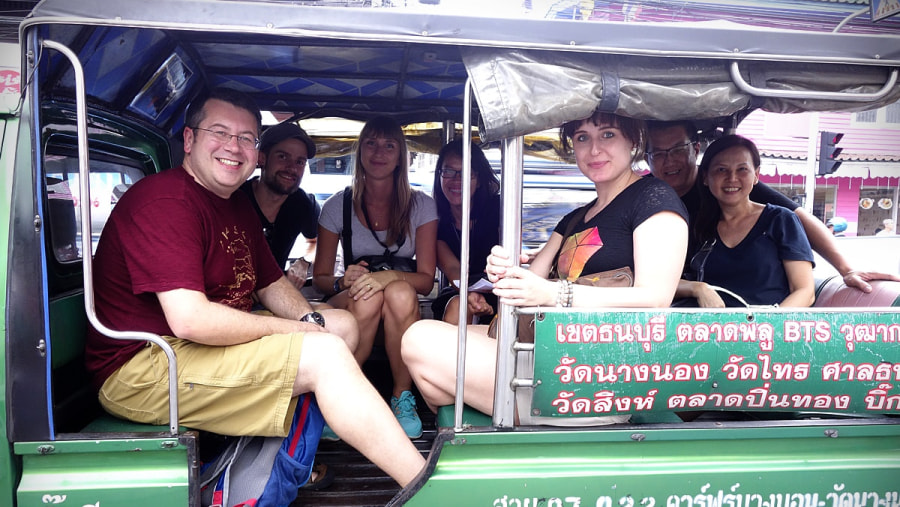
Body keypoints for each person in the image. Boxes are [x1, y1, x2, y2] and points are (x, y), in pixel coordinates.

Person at [85, 88, 424, 487]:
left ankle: (291, 449)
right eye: (220, 132)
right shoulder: (165, 201)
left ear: (255, 152)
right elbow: (190, 320)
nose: (234, 146)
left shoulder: (234, 204)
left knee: (342, 327)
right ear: (190, 140)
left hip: (193, 351)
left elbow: (270, 282)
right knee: (324, 352)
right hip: (144, 367)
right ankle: (423, 484)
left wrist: (311, 318)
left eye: (246, 138)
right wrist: (302, 331)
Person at [402, 111, 688, 416]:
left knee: (420, 342)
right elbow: (525, 285)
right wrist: (504, 271)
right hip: (549, 349)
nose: (594, 149)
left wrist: (555, 295)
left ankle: (542, 415)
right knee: (428, 344)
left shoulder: (653, 199)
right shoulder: (576, 217)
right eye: (582, 138)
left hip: (593, 372)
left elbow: (655, 298)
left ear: (633, 140)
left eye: (608, 135)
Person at [646, 120, 900, 292]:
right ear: (646, 159)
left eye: (677, 149)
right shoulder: (641, 193)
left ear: (695, 149)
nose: (669, 161)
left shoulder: (725, 181)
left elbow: (799, 218)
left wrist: (847, 269)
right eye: (657, 153)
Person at [313, 116, 438, 438]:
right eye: (371, 143)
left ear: (401, 157)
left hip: (401, 294)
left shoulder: (421, 205)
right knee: (368, 297)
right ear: (360, 152)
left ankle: (401, 397)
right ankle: (345, 399)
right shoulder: (336, 205)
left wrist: (388, 278)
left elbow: (426, 280)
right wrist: (344, 280)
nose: (379, 152)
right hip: (354, 294)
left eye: (389, 145)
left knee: (397, 292)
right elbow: (321, 279)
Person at [677, 135, 815, 308]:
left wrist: (766, 328)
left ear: (756, 175)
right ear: (705, 177)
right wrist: (698, 288)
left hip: (767, 329)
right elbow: (663, 282)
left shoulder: (781, 220)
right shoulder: (696, 225)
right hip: (709, 329)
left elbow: (804, 292)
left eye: (742, 169)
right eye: (721, 170)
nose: (732, 178)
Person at [239, 121, 319, 288]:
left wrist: (303, 262)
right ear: (261, 158)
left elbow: (314, 242)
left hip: (275, 293)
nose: (291, 168)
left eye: (300, 162)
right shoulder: (234, 199)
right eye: (282, 157)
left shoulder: (302, 203)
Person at [430, 138, 501, 325]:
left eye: (466, 173)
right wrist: (470, 293)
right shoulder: (435, 219)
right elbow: (453, 269)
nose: (456, 180)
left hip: (499, 292)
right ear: (439, 175)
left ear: (478, 180)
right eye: (448, 171)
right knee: (459, 305)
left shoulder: (498, 209)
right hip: (459, 290)